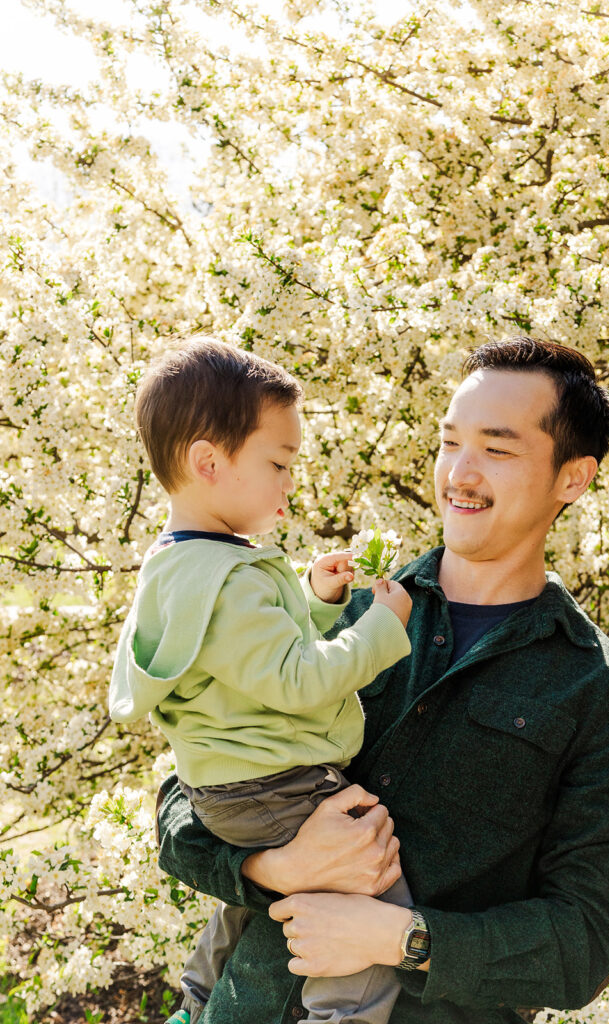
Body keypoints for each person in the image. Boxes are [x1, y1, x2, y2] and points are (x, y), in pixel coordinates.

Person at [156, 337, 609, 1024]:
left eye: (496, 448)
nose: (459, 472)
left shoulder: (608, 695)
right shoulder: (342, 614)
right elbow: (183, 799)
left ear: (570, 478)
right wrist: (269, 868)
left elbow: (582, 944)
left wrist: (400, 939)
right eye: (449, 441)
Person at [108, 337, 417, 1024]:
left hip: (225, 789)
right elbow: (297, 680)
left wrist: (312, 599)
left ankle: (195, 1000)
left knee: (258, 892)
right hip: (281, 781)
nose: (287, 482)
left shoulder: (182, 568)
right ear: (208, 462)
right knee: (367, 885)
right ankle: (343, 1014)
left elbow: (240, 660)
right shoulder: (230, 579)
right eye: (277, 463)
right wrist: (379, 628)